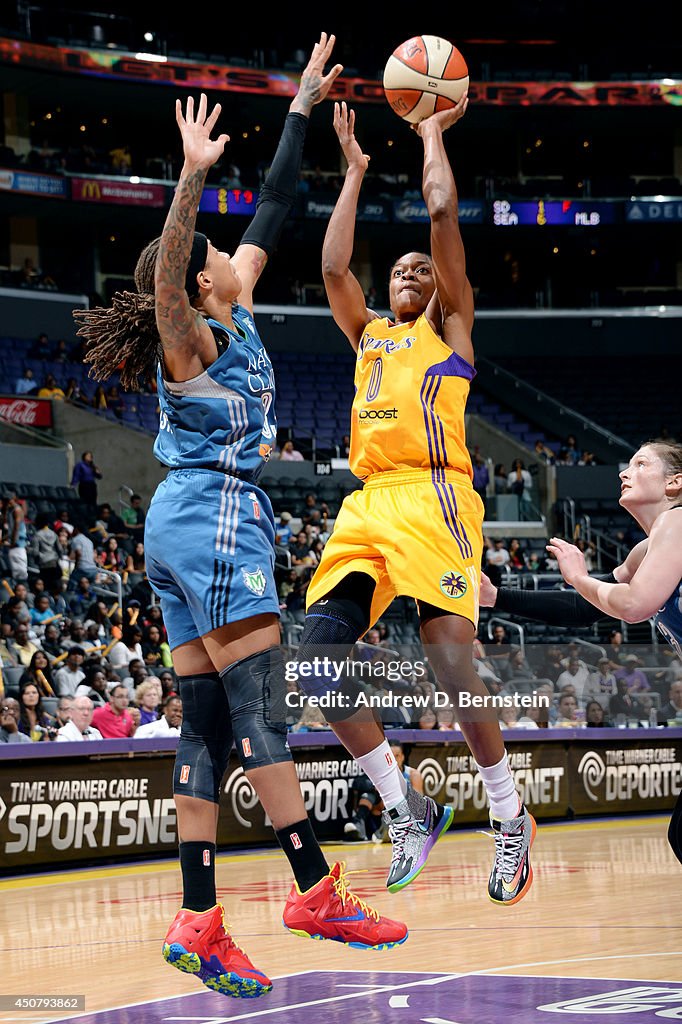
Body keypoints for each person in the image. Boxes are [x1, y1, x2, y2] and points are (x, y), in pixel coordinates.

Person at [72, 36, 406, 1001]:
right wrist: (186, 178)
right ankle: (313, 885)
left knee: (209, 725)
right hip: (214, 516)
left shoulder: (242, 299)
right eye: (216, 254)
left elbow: (277, 205)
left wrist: (301, 105)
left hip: (186, 529)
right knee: (266, 705)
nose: (228, 250)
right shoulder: (190, 335)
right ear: (199, 279)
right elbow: (172, 267)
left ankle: (199, 917)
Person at [291, 96, 535, 906]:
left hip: (435, 496)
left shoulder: (450, 326)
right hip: (368, 505)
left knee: (452, 662)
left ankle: (507, 815)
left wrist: (429, 130)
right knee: (316, 669)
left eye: (419, 270)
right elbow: (333, 270)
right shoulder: (367, 334)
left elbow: (438, 211)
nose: (407, 272)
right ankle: (406, 805)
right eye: (397, 268)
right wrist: (354, 171)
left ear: (442, 290)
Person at [481, 440, 682, 866]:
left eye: (640, 463)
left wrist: (577, 576)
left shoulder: (679, 522)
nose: (624, 472)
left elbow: (632, 605)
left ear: (674, 482)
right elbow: (582, 607)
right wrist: (497, 596)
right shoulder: (645, 551)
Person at [2, 493, 29, 582]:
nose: (7, 502)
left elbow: (16, 529)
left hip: (18, 546)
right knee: (14, 574)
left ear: (13, 499)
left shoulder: (17, 510)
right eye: (5, 501)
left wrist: (12, 543)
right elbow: (10, 530)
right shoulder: (10, 510)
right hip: (13, 546)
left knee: (20, 576)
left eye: (9, 500)